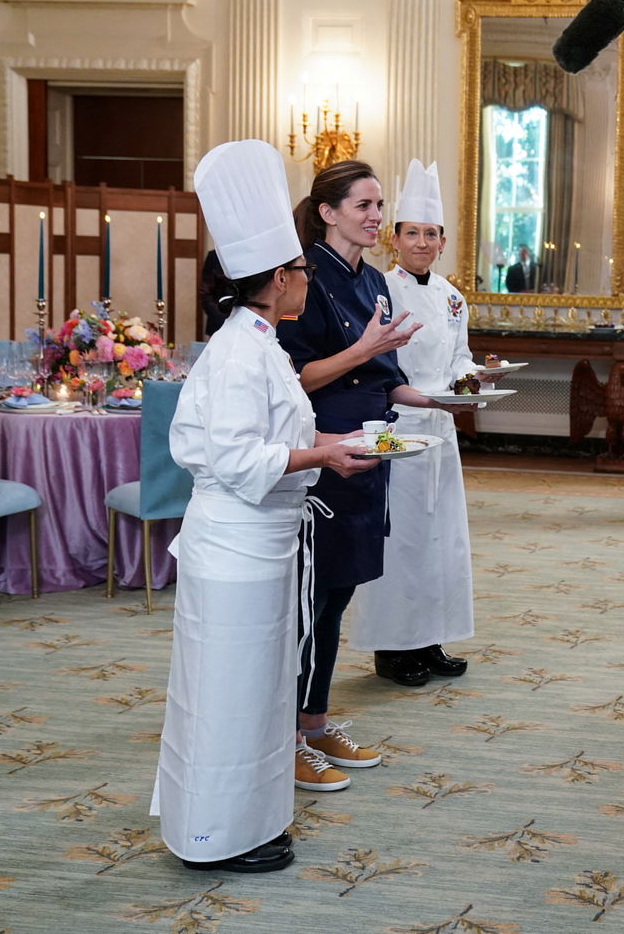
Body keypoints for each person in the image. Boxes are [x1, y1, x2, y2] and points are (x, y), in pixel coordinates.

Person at [153, 138, 381, 874]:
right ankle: (216, 836)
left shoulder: (263, 342)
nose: (308, 283)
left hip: (268, 544)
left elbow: (283, 428)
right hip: (236, 545)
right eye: (301, 274)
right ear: (279, 279)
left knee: (255, 696)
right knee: (227, 699)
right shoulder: (240, 352)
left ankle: (249, 821)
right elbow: (234, 456)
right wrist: (323, 455)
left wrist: (333, 437)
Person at [276, 160, 441, 791]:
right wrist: (359, 352)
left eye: (379, 205)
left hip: (374, 449)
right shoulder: (300, 280)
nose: (377, 216)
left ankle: (315, 724)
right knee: (311, 598)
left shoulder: (373, 280)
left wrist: (433, 400)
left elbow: (382, 375)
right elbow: (292, 378)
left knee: (340, 592)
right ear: (328, 211)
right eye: (365, 205)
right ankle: (287, 737)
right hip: (322, 452)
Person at [346, 160, 478, 687]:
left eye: (431, 234)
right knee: (398, 540)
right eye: (412, 233)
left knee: (441, 539)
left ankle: (430, 639)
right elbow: (374, 362)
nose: (421, 242)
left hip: (442, 428)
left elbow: (461, 357)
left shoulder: (452, 296)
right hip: (395, 424)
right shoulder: (379, 290)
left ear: (443, 241)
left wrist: (471, 382)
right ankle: (391, 648)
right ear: (394, 239)